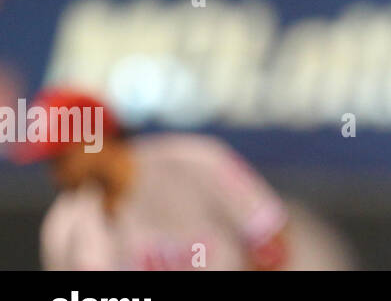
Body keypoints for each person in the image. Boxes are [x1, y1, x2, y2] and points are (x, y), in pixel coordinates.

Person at [15, 87, 291, 271]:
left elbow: (268, 235)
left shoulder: (195, 162)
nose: (54, 172)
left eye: (61, 157)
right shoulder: (64, 226)